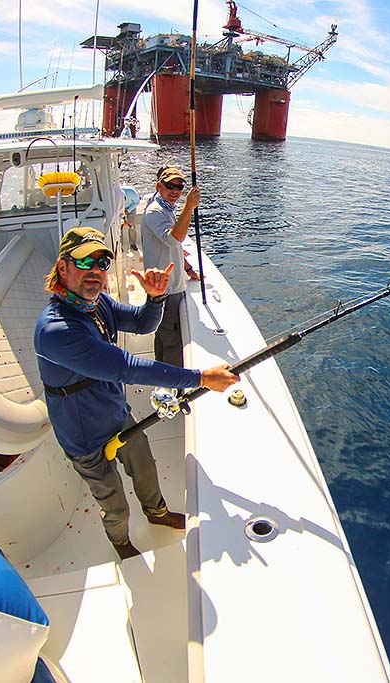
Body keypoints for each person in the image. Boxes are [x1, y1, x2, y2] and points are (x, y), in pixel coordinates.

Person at [34, 227, 239, 559]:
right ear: (62, 267)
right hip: (83, 435)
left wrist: (155, 298)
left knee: (145, 466)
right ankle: (122, 543)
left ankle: (157, 513)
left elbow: (144, 324)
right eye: (85, 262)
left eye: (102, 263)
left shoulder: (97, 305)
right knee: (113, 501)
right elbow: (127, 367)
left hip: (116, 413)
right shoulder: (56, 330)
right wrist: (200, 377)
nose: (95, 272)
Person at [140, 166, 200, 365]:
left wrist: (189, 269)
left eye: (179, 187)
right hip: (166, 289)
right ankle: (172, 384)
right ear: (159, 185)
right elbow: (174, 239)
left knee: (164, 335)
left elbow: (173, 250)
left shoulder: (166, 208)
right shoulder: (156, 212)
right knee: (172, 340)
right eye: (169, 186)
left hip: (169, 285)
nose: (175, 190)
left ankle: (161, 372)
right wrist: (189, 207)